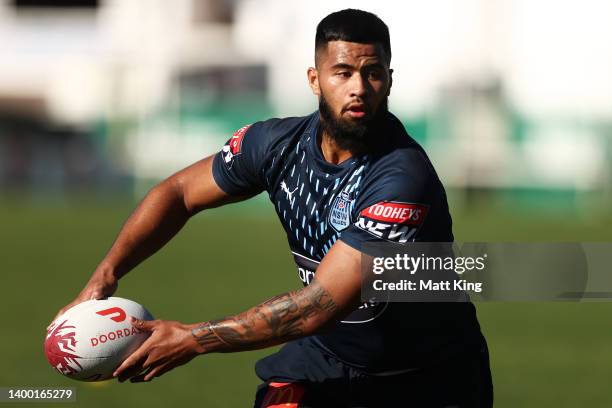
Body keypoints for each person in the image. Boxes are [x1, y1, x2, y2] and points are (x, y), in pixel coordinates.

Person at [55, 9, 493, 407]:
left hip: (427, 380)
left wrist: (192, 339)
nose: (359, 88)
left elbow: (320, 304)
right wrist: (105, 274)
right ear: (314, 79)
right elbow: (178, 193)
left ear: (389, 81)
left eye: (372, 73)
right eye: (342, 72)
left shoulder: (401, 178)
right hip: (326, 359)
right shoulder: (275, 145)